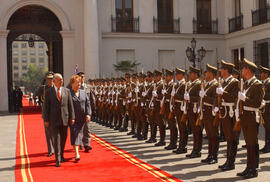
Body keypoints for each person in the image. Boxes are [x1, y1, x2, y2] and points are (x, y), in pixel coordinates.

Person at [236, 58, 264, 178]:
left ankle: (254, 169)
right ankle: (249, 167)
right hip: (245, 117)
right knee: (248, 144)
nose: (241, 70)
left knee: (252, 143)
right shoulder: (246, 84)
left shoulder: (257, 84)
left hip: (252, 117)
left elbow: (257, 103)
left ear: (248, 70)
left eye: (243, 68)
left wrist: (244, 99)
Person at [43, 73, 75, 167]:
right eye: (59, 80)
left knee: (64, 138)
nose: (61, 81)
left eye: (62, 80)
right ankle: (57, 159)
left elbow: (70, 105)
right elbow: (46, 107)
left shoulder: (66, 91)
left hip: (64, 119)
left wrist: (72, 117)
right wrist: (46, 119)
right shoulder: (49, 92)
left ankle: (61, 155)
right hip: (53, 120)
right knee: (56, 139)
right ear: (54, 81)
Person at [216, 60, 240, 171]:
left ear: (226, 70)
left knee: (232, 137)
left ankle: (231, 162)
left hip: (230, 113)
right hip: (224, 112)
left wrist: (223, 93)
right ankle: (228, 160)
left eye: (222, 69)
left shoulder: (234, 82)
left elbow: (234, 98)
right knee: (228, 137)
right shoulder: (224, 82)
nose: (221, 70)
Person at [69, 75, 91, 162]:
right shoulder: (69, 93)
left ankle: (77, 150)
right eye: (76, 82)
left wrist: (88, 114)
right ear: (72, 84)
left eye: (79, 82)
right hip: (73, 119)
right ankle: (77, 153)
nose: (79, 84)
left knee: (79, 134)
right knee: (75, 134)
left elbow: (87, 104)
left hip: (82, 118)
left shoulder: (83, 92)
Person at [34, 71, 55, 157]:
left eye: (52, 79)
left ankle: (56, 148)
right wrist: (41, 87)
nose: (50, 80)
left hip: (56, 112)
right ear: (46, 79)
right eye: (48, 79)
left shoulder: (57, 88)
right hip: (46, 112)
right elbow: (35, 94)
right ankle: (50, 150)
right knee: (48, 132)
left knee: (56, 132)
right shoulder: (43, 88)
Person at [77, 72, 92, 152]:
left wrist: (90, 112)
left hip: (85, 111)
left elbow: (90, 100)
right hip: (77, 111)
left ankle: (87, 144)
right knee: (79, 129)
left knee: (86, 128)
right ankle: (79, 143)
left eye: (83, 77)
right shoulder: (75, 87)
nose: (82, 78)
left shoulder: (87, 87)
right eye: (80, 77)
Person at [259, 66, 270, 153]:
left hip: (268, 107)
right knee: (266, 127)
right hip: (264, 108)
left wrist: (261, 96)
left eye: (262, 73)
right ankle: (267, 144)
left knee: (268, 127)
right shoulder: (263, 83)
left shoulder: (269, 83)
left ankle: (268, 145)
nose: (260, 74)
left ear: (266, 74)